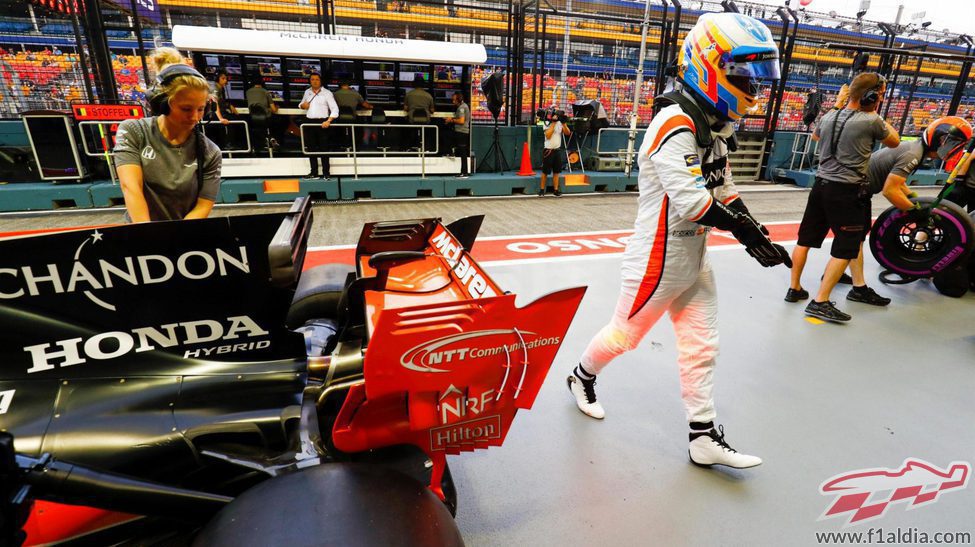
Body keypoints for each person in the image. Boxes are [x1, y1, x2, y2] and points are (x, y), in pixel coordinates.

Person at [567, 13, 791, 469]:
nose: (754, 89)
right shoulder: (674, 122)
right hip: (656, 259)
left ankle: (702, 435)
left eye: (757, 78)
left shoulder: (714, 124)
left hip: (694, 256)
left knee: (702, 346)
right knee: (625, 337)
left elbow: (723, 189)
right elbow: (691, 201)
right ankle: (580, 376)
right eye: (745, 75)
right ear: (710, 65)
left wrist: (755, 233)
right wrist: (745, 231)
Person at [786, 72, 900, 322]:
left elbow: (816, 136)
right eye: (879, 95)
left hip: (820, 187)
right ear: (871, 96)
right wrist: (875, 108)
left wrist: (840, 105)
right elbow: (895, 141)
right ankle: (821, 301)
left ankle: (794, 289)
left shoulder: (829, 116)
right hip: (846, 191)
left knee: (805, 239)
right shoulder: (872, 120)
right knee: (847, 246)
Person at [836, 116, 974, 287]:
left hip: (854, 191)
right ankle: (859, 287)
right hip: (852, 193)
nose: (955, 148)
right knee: (853, 240)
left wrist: (914, 199)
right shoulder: (913, 154)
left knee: (853, 240)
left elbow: (898, 183)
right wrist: (915, 210)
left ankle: (837, 273)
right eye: (953, 143)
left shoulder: (915, 149)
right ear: (940, 139)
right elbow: (890, 190)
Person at [114, 47, 221, 222]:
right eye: (186, 109)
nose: (194, 117)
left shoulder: (209, 151)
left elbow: (203, 205)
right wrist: (150, 235)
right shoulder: (133, 131)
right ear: (162, 104)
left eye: (201, 109)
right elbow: (131, 187)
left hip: (182, 236)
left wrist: (174, 238)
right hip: (143, 233)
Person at [298, 72, 339, 180]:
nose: (314, 81)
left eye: (317, 79)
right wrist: (303, 106)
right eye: (312, 79)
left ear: (320, 81)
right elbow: (301, 104)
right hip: (309, 123)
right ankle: (314, 173)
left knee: (324, 149)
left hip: (322, 123)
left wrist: (329, 121)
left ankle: (326, 173)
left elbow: (335, 109)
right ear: (310, 81)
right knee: (311, 150)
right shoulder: (307, 92)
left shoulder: (327, 93)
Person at [245, 72, 282, 151]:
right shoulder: (265, 91)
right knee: (281, 121)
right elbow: (274, 110)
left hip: (253, 120)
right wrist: (277, 107)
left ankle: (267, 139)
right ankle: (273, 139)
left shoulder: (247, 92)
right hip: (266, 119)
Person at [538, 109, 570, 196]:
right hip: (548, 150)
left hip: (557, 150)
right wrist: (553, 122)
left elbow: (567, 133)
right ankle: (541, 190)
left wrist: (563, 123)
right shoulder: (547, 123)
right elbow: (548, 135)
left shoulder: (560, 123)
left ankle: (555, 190)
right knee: (545, 171)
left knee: (556, 171)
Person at [333, 80, 374, 148]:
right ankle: (355, 147)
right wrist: (372, 106)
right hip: (352, 120)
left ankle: (341, 147)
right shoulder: (355, 93)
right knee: (359, 124)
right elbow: (365, 105)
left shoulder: (335, 94)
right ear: (349, 85)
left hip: (339, 121)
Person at [445, 91, 471, 178]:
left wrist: (451, 120)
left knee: (463, 153)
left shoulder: (461, 108)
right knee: (462, 152)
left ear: (458, 99)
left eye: (454, 100)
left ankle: (464, 173)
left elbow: (461, 121)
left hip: (461, 132)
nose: (453, 102)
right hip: (462, 132)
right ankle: (463, 172)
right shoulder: (463, 106)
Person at [209, 69, 235, 149]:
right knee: (230, 120)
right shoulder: (215, 88)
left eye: (226, 79)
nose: (225, 81)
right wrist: (221, 118)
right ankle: (228, 144)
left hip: (217, 112)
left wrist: (229, 105)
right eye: (223, 78)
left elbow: (221, 101)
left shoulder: (220, 87)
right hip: (213, 114)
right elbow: (214, 102)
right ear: (217, 78)